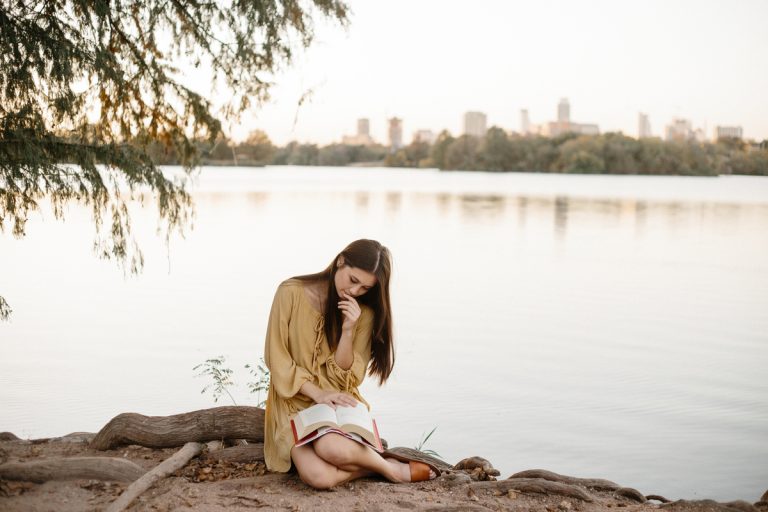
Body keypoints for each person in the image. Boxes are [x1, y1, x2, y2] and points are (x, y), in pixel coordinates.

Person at [262, 239, 438, 489]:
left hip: (338, 401)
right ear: (340, 261)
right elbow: (276, 358)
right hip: (292, 401)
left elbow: (349, 379)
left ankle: (383, 466)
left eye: (365, 288)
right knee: (318, 477)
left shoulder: (363, 313)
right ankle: (388, 467)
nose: (355, 291)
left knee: (331, 447)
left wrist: (348, 330)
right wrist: (317, 393)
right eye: (353, 280)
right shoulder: (289, 292)